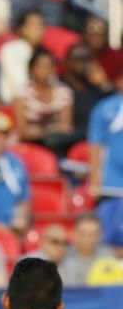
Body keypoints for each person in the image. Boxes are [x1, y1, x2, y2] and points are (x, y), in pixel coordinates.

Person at [13, 49, 74, 155]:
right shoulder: (22, 93)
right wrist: (51, 130)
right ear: (32, 69)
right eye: (41, 66)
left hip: (56, 144)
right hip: (29, 144)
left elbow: (66, 127)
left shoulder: (64, 92)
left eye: (49, 66)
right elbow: (22, 130)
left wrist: (39, 131)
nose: (46, 70)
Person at [88, 70, 123, 199]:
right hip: (111, 182)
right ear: (118, 81)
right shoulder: (104, 108)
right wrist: (95, 180)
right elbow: (96, 144)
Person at [0, 10, 44, 105]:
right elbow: (20, 85)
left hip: (39, 104)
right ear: (21, 28)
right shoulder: (11, 50)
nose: (38, 29)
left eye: (41, 25)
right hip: (13, 106)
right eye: (33, 25)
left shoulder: (43, 52)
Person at [59, 214, 114, 286]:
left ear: (101, 235)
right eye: (83, 234)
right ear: (73, 233)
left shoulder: (109, 256)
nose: (87, 239)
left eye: (93, 234)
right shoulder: (61, 256)